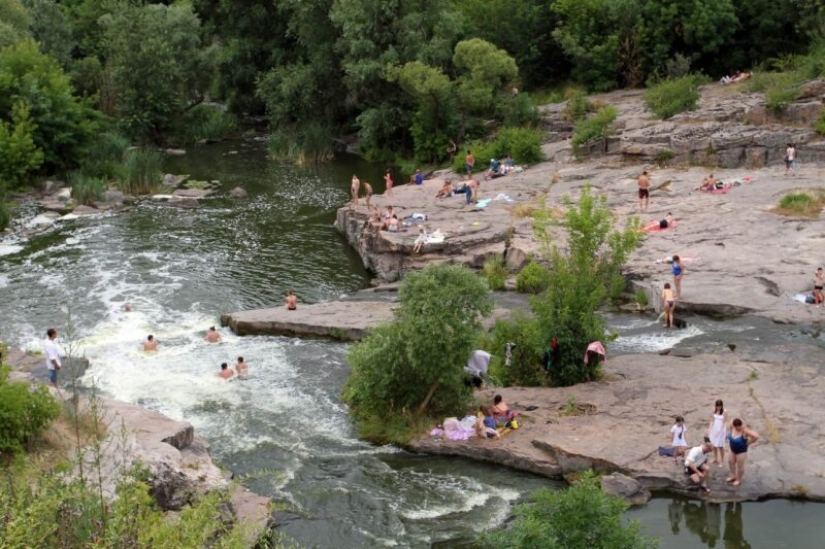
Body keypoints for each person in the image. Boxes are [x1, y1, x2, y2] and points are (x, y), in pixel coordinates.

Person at [726, 418, 759, 487]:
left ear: (741, 425)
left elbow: (756, 436)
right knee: (730, 462)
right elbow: (732, 421)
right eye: (737, 427)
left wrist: (748, 443)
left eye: (739, 426)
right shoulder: (732, 426)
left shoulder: (744, 430)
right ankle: (733, 476)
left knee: (739, 465)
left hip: (741, 451)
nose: (738, 428)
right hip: (732, 448)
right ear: (734, 426)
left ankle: (738, 479)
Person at [708, 399, 729, 467]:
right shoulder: (714, 410)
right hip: (715, 428)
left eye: (720, 406)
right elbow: (712, 420)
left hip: (721, 429)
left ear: (722, 406)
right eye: (717, 406)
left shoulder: (725, 411)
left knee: (720, 446)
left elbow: (723, 422)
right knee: (714, 445)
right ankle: (715, 458)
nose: (718, 407)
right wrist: (709, 428)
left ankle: (722, 461)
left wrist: (720, 431)